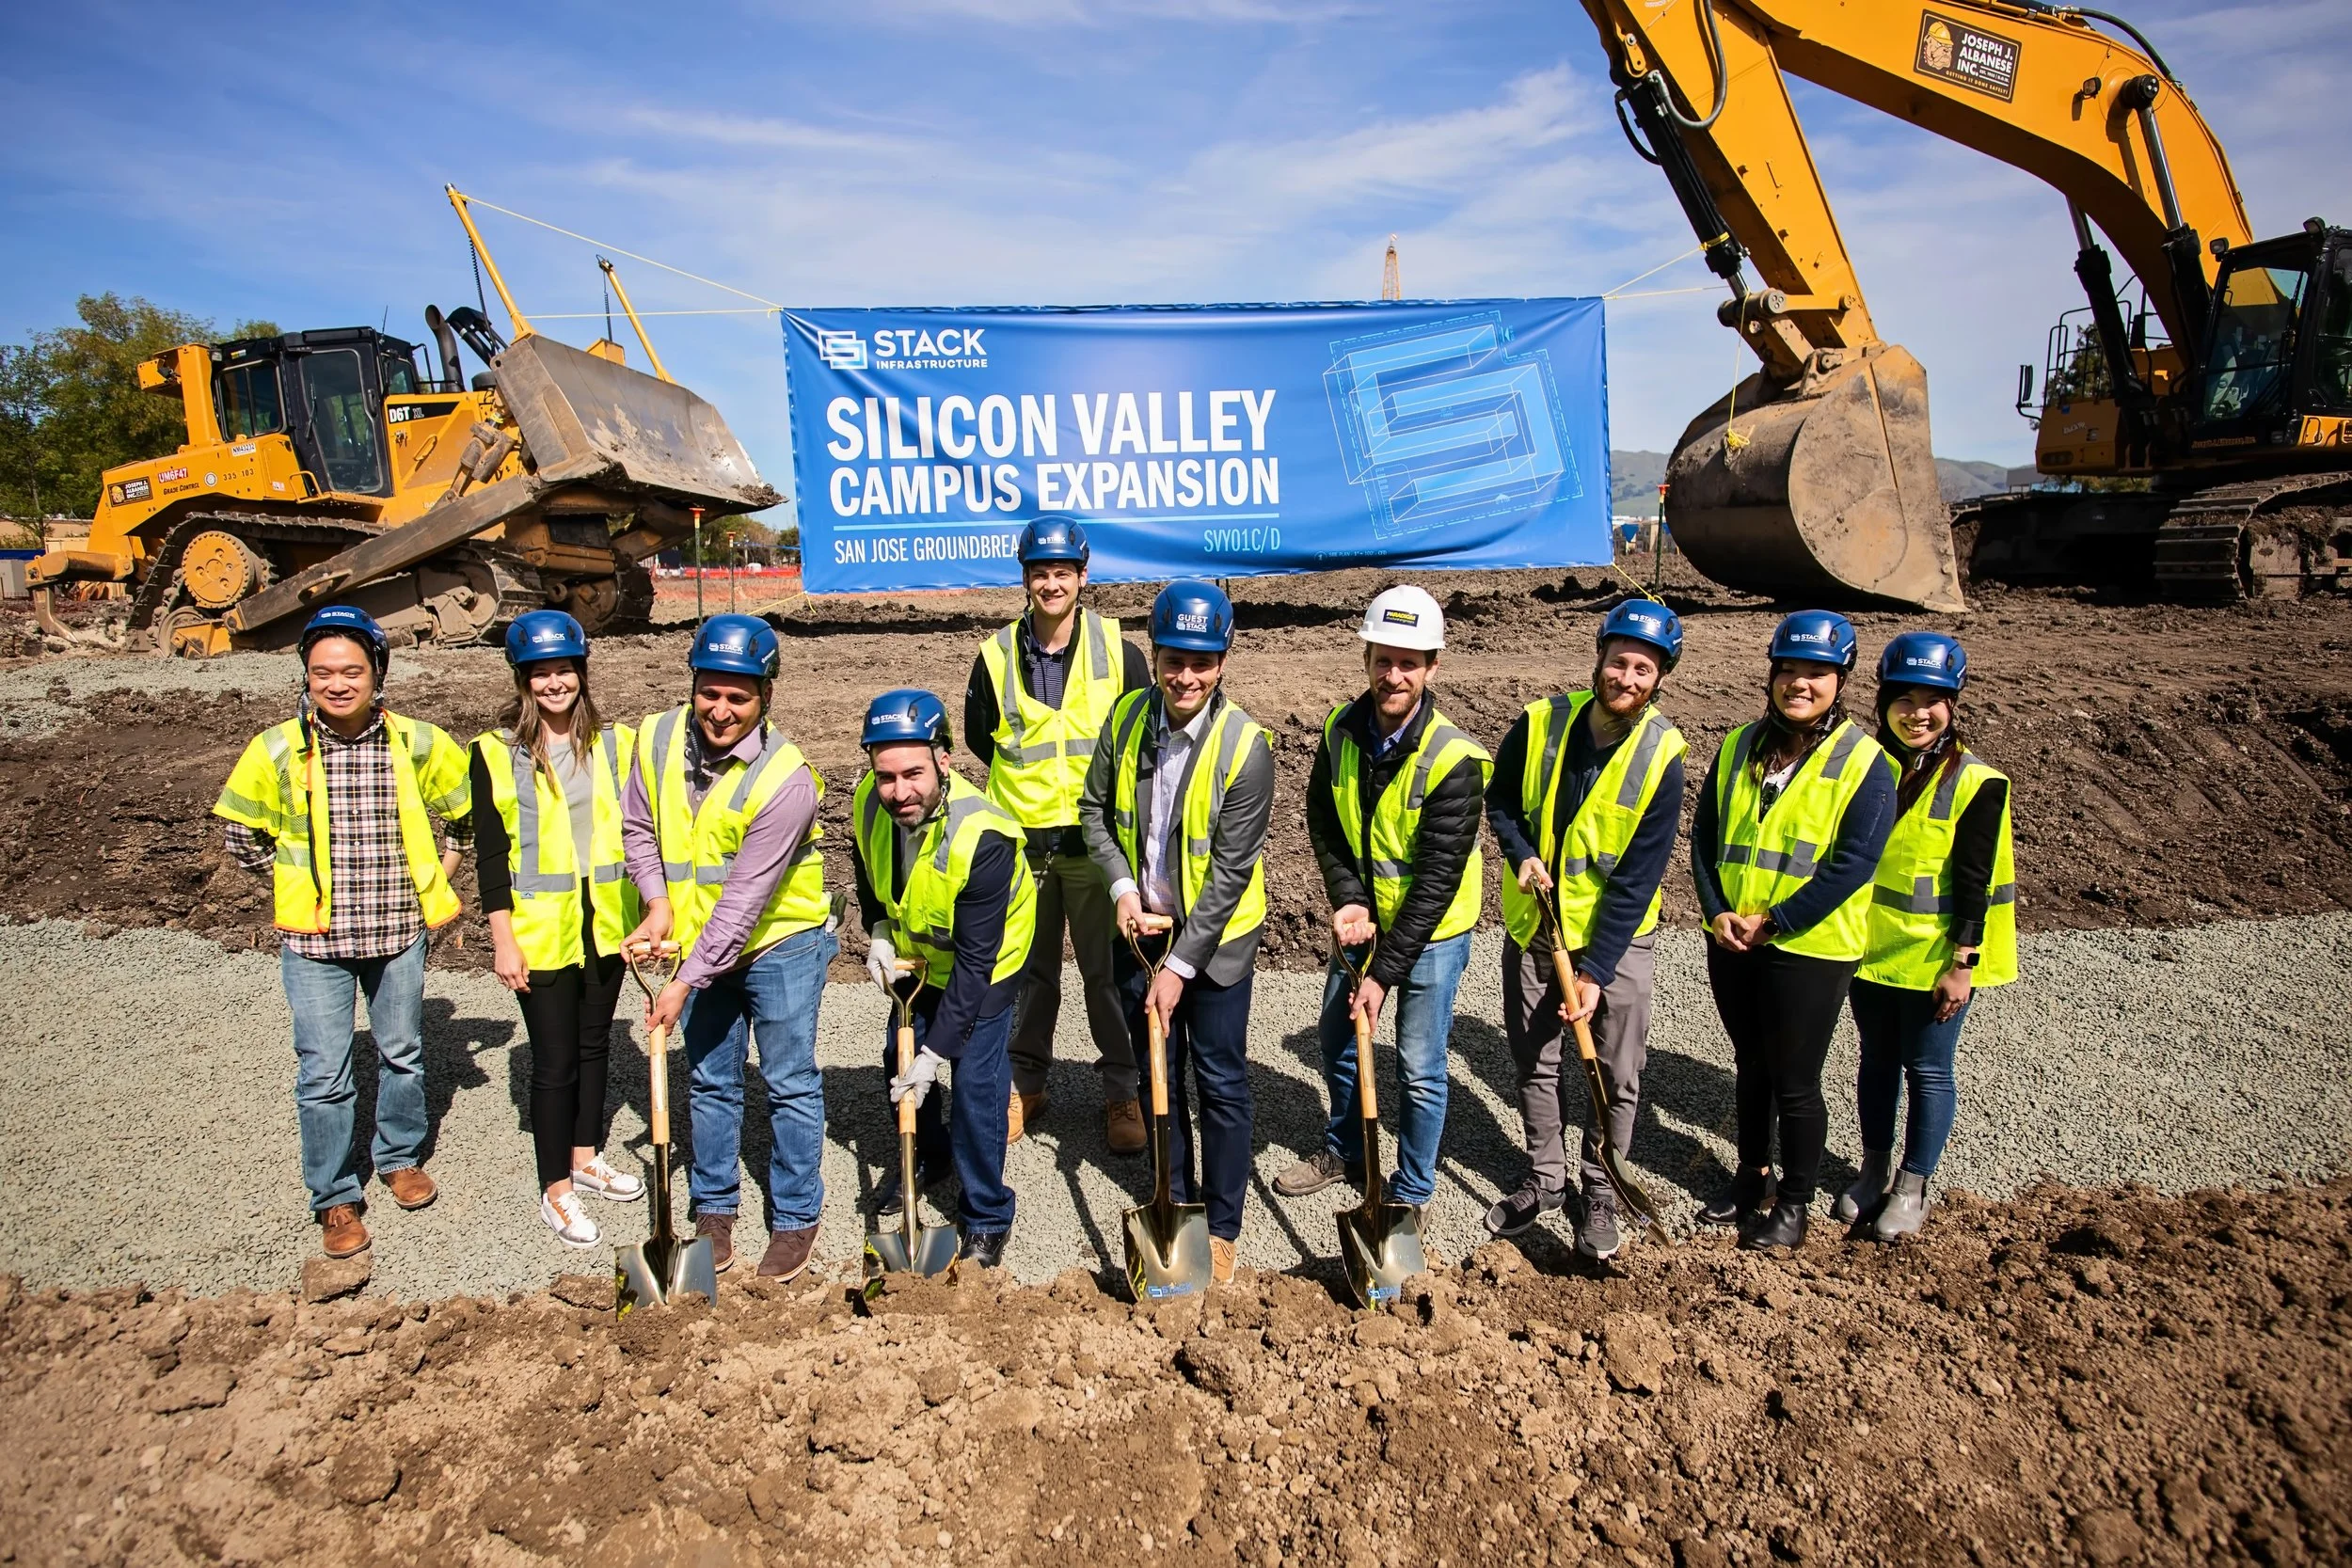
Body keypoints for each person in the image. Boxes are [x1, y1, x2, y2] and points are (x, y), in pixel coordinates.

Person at [213, 605, 471, 1260]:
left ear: (376, 672)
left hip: (396, 932)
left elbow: (468, 816)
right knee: (324, 1073)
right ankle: (334, 1197)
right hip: (316, 941)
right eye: (322, 671)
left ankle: (400, 1157)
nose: (336, 683)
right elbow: (241, 835)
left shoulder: (416, 742)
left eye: (351, 670)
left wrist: (441, 874)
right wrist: (293, 881)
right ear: (305, 675)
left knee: (404, 1052)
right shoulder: (276, 748)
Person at [621, 613, 837, 1282]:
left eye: (738, 697)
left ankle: (797, 1215)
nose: (720, 709)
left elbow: (743, 903)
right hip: (695, 940)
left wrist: (682, 981)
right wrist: (657, 902)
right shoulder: (655, 737)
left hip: (780, 945)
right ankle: (714, 1211)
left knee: (788, 1080)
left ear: (765, 698)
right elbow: (637, 827)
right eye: (709, 692)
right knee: (712, 1076)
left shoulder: (787, 780)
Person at [1079, 580, 1275, 1285]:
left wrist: (1178, 965)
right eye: (1173, 659)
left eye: (1202, 661)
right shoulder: (1128, 717)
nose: (1185, 676)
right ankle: (1177, 1196)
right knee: (1162, 1076)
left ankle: (1221, 1225)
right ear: (1155, 655)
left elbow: (1228, 873)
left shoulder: (1246, 748)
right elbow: (1094, 811)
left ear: (1223, 661)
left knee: (1219, 1080)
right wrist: (1124, 891)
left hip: (1214, 949)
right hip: (1139, 931)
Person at [1278, 585, 1491, 1217]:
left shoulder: (1454, 760)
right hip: (1364, 921)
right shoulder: (1342, 731)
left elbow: (1434, 883)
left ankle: (1414, 1188)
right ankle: (1346, 1148)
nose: (1393, 675)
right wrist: (1347, 898)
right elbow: (1325, 819)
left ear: (1432, 667)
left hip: (1430, 932)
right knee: (1337, 1036)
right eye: (1383, 659)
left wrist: (1383, 973)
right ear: (1366, 656)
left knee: (1420, 1065)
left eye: (1409, 662)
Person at [1483, 600, 1688, 1259]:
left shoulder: (1663, 755)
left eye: (1643, 668)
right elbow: (1502, 802)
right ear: (1599, 657)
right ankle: (1545, 1178)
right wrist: (1520, 852)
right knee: (1536, 1061)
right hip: (1536, 931)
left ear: (1659, 678)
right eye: (1619, 661)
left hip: (1616, 943)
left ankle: (1600, 1187)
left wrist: (1597, 969)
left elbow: (1637, 877)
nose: (1627, 677)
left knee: (1614, 1070)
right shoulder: (1540, 721)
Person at [1691, 610, 1895, 1251]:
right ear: (1772, 675)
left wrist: (1777, 922)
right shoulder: (1738, 746)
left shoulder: (1866, 762)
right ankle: (1752, 1174)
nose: (1800, 684)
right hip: (1733, 939)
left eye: (1817, 673)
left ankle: (1795, 1202)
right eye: (1789, 670)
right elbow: (1705, 838)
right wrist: (1717, 907)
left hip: (1807, 948)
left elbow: (1853, 863)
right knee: (1750, 1064)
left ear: (1841, 680)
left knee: (1795, 1077)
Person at [962, 516, 1152, 1152]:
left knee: (1108, 974)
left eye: (1062, 573)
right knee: (1028, 973)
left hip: (1096, 851)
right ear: (1025, 579)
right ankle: (1027, 1082)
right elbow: (979, 739)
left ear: (1083, 577)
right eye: (1040, 573)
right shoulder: (992, 658)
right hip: (1022, 852)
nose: (1051, 583)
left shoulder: (1119, 650)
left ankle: (1122, 1092)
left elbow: (1140, 737)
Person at [470, 610, 646, 1251]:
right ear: (523, 680)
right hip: (540, 932)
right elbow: (491, 855)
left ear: (582, 674)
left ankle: (583, 1155)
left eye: (564, 670)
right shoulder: (494, 754)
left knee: (595, 1046)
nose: (554, 683)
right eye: (541, 673)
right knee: (553, 1062)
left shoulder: (615, 744)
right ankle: (555, 1190)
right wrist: (502, 939)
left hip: (603, 924)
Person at [1836, 631, 2016, 1241]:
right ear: (1884, 699)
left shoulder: (1976, 781)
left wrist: (1963, 961)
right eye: (1904, 698)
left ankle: (1912, 1186)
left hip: (1936, 958)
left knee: (1929, 1069)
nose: (1917, 712)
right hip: (1869, 951)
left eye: (1932, 699)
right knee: (1876, 1063)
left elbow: (1975, 880)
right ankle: (1873, 1170)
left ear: (1954, 703)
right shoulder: (1866, 765)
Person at [851, 689, 1037, 1269]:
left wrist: (935, 1056)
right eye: (886, 776)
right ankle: (928, 1157)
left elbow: (976, 968)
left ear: (943, 760)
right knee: (895, 1055)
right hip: (923, 956)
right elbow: (870, 878)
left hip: (988, 963)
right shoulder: (868, 804)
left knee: (976, 1085)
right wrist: (879, 929)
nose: (899, 791)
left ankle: (986, 1214)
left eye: (913, 773)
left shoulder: (983, 837)